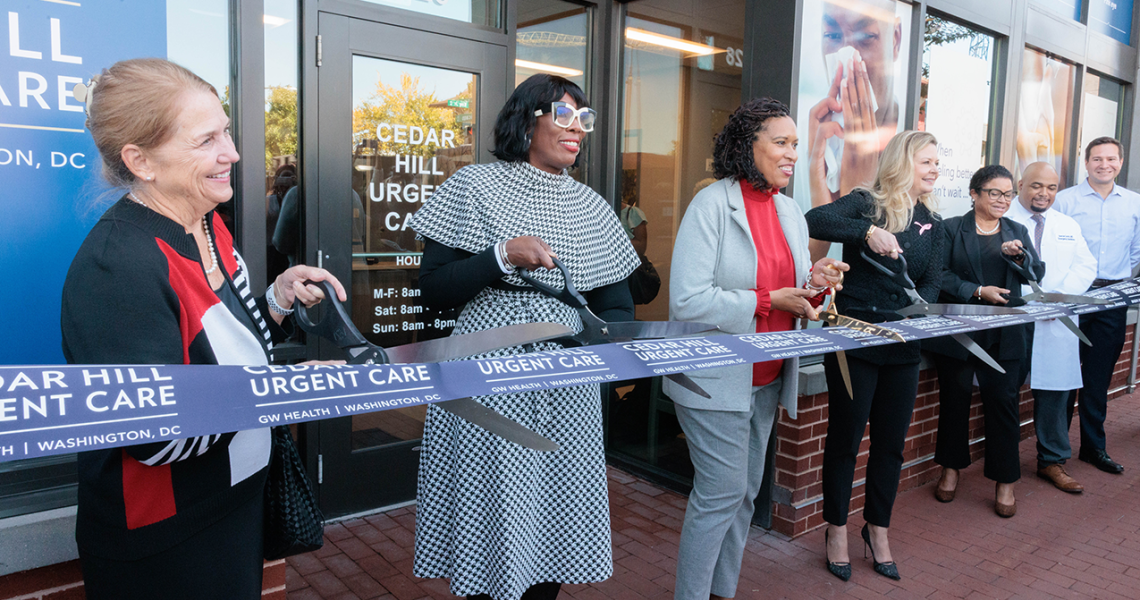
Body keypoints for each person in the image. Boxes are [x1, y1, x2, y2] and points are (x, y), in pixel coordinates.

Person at [60, 58, 345, 600]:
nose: (232, 153)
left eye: (228, 130)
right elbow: (156, 435)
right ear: (140, 160)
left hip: (233, 509)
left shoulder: (207, 224)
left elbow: (226, 349)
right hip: (166, 542)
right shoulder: (118, 264)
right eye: (206, 140)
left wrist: (277, 299)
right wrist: (290, 391)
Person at [408, 74, 640, 600]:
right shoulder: (473, 186)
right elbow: (433, 292)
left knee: (555, 518)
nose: (577, 127)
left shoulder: (594, 207)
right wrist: (500, 255)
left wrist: (594, 353)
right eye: (563, 114)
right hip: (490, 374)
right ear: (526, 119)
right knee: (494, 514)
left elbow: (616, 305)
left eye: (584, 118)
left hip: (567, 384)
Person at [668, 97, 848, 599]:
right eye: (782, 142)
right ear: (749, 146)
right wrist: (769, 298)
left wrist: (817, 284)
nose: (793, 153)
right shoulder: (711, 204)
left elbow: (794, 292)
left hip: (766, 380)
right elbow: (687, 298)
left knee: (744, 495)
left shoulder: (791, 210)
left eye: (796, 143)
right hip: (711, 379)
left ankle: (720, 592)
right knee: (721, 492)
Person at [805, 130, 943, 582]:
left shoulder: (933, 222)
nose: (934, 170)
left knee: (890, 445)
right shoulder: (866, 203)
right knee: (845, 439)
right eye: (926, 161)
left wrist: (910, 311)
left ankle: (877, 528)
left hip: (903, 346)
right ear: (904, 162)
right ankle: (837, 530)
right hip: (854, 341)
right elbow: (814, 219)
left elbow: (932, 283)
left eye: (937, 163)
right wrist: (868, 231)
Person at [925, 165, 1042, 518]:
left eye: (1007, 194)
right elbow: (939, 275)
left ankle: (1005, 481)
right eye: (994, 193)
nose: (1002, 200)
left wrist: (1019, 257)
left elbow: (1037, 274)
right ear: (974, 193)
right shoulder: (949, 228)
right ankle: (950, 468)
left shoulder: (1017, 230)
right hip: (959, 331)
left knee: (1003, 404)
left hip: (1005, 333)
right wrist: (977, 291)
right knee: (955, 400)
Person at [1006, 162, 1096, 493]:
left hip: (1057, 317)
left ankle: (1053, 460)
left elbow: (1086, 265)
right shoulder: (1004, 221)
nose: (1044, 193)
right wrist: (1032, 299)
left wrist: (1058, 298)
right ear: (1020, 185)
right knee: (1005, 391)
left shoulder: (1067, 224)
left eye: (1052, 187)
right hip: (1016, 317)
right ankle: (1003, 463)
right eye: (1036, 186)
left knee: (1056, 391)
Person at [1055, 136, 1140, 475]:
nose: (1104, 164)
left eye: (1111, 158)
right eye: (1097, 159)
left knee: (1097, 377)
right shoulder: (1065, 201)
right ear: (1086, 162)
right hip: (1072, 297)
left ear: (1120, 162)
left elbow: (1136, 252)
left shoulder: (1134, 204)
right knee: (1063, 375)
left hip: (1112, 299)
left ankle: (1093, 447)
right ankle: (1055, 451)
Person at [807, 0, 904, 261]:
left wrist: (859, 193)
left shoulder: (905, 151)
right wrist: (821, 192)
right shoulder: (820, 139)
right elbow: (807, 270)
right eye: (833, 36)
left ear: (895, 39)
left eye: (866, 37)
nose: (848, 58)